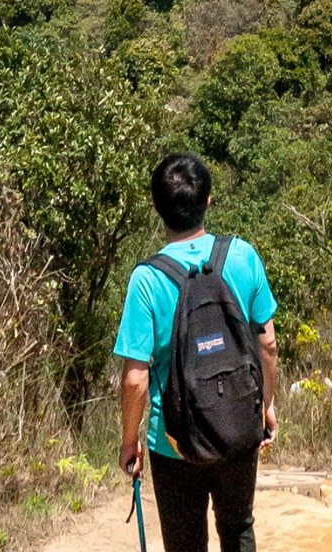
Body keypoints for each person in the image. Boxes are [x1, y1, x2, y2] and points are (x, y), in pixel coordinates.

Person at [115, 153, 278, 552]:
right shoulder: (242, 256)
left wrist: (129, 441)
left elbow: (135, 379)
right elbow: (268, 344)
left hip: (173, 441)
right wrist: (266, 406)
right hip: (239, 424)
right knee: (238, 528)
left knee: (185, 544)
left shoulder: (147, 279)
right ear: (208, 200)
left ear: (157, 207)